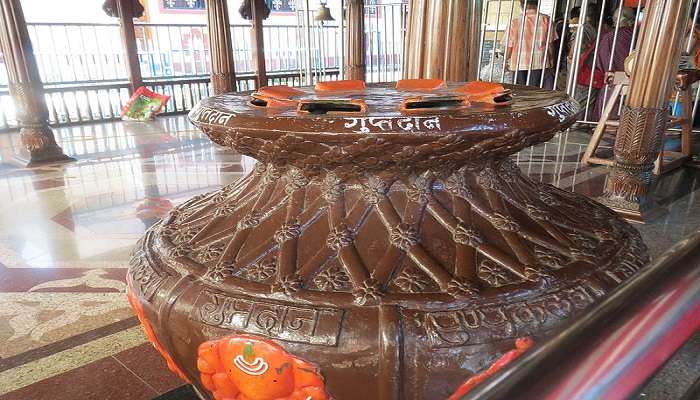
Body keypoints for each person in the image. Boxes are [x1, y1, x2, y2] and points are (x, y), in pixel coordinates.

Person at [591, 6, 636, 121]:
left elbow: (601, 61)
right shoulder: (639, 34)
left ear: (618, 19)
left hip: (614, 82)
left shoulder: (611, 36)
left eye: (615, 19)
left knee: (607, 116)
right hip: (636, 82)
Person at [504, 0, 557, 87]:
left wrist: (505, 60)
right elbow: (550, 44)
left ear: (522, 5)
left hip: (518, 63)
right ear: (537, 4)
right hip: (539, 62)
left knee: (519, 92)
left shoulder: (514, 22)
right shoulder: (546, 20)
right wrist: (551, 61)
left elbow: (509, 46)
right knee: (535, 92)